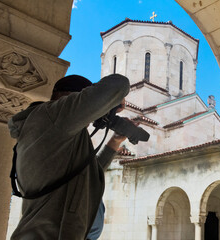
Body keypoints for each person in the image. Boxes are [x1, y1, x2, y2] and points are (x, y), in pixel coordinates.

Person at [8, 74, 130, 239]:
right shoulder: (54, 116)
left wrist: (114, 143)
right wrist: (112, 100)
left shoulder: (56, 129)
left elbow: (86, 175)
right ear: (66, 98)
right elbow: (118, 84)